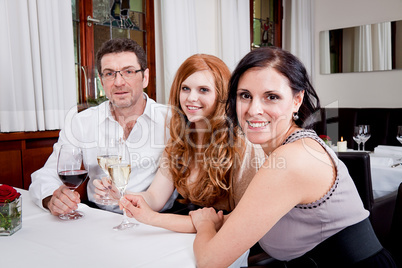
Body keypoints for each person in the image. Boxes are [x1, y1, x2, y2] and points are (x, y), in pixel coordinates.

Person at [188, 47, 397, 268]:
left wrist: (205, 227)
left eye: (271, 97)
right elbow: (237, 222)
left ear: (297, 100)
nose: (253, 109)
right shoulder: (290, 147)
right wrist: (153, 218)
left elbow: (210, 262)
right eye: (245, 95)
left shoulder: (292, 159)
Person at [97, 54, 264, 233]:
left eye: (203, 90)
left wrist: (154, 218)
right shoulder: (180, 141)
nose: (191, 98)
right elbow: (154, 197)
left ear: (222, 95)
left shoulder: (243, 144)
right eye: (185, 88)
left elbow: (242, 221)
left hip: (236, 239)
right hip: (196, 231)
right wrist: (120, 194)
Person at [30, 38, 177, 215]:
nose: (118, 82)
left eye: (128, 71)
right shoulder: (82, 122)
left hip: (158, 219)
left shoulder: (171, 120)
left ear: (144, 78)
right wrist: (51, 198)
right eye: (109, 74)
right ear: (101, 81)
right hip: (100, 218)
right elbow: (46, 175)